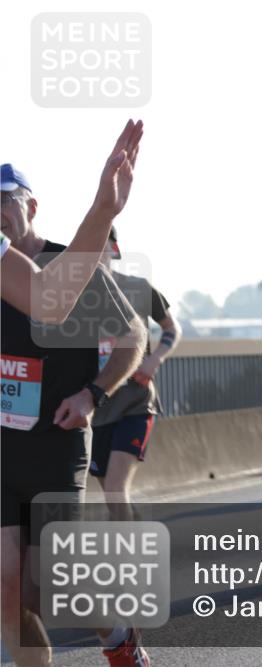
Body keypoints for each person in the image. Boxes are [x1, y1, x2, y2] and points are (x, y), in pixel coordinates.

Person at [1, 169, 149, 664]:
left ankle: (118, 639)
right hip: (3, 449)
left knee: (57, 576)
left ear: (31, 206)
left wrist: (93, 394)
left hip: (55, 447)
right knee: (7, 588)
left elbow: (133, 338)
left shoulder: (71, 266)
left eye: (6, 200)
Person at [0, 121, 143, 322]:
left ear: (32, 209)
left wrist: (104, 211)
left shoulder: (80, 267)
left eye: (3, 200)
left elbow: (47, 303)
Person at [89, 227, 182, 522]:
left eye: (99, 244)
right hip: (97, 411)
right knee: (114, 499)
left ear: (114, 250)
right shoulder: (72, 298)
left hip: (135, 404)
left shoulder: (138, 289)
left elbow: (171, 328)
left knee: (116, 491)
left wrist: (153, 360)